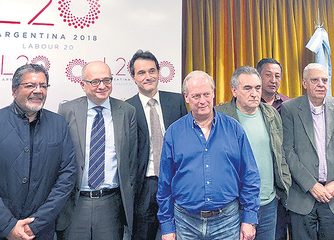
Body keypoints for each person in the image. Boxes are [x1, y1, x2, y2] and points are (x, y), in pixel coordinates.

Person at [0, 64, 76, 240]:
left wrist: (36, 224)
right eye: (30, 85)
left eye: (43, 86)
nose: (38, 91)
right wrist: (8, 226)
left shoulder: (58, 124)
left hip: (41, 230)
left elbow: (66, 176)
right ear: (14, 90)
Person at [157, 70, 260, 240]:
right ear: (186, 97)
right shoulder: (173, 133)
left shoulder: (234, 129)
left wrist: (249, 219)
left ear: (213, 93)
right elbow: (165, 184)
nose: (202, 101)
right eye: (196, 96)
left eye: (206, 94)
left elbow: (250, 175)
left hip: (227, 221)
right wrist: (167, 226)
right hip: (186, 222)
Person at [56, 61, 137, 240]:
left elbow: (131, 162)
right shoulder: (67, 110)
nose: (102, 86)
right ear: (82, 84)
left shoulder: (127, 112)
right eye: (95, 81)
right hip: (75, 203)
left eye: (107, 80)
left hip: (111, 204)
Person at [281, 63, 334, 240]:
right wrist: (311, 185)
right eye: (315, 80)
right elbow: (288, 152)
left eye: (324, 80)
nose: (321, 84)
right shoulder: (290, 109)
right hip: (302, 196)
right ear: (304, 83)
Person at [216, 66, 291, 240]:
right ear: (234, 90)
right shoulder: (220, 117)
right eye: (247, 88)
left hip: (268, 202)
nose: (254, 93)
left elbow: (281, 154)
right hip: (233, 205)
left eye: (257, 88)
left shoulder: (271, 114)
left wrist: (281, 188)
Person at [126, 50, 187, 240]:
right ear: (133, 77)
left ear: (159, 72)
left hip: (176, 182)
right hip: (145, 185)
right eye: (141, 73)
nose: (148, 77)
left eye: (152, 71)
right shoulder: (127, 109)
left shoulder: (176, 101)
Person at [256, 58, 291, 240]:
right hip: (256, 182)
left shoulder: (289, 106)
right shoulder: (248, 104)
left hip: (282, 183)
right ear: (258, 76)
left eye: (277, 76)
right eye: (268, 75)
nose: (273, 80)